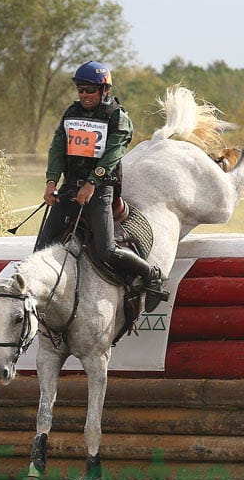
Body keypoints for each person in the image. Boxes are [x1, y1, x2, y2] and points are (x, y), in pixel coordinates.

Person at [35, 60, 168, 311]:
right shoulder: (71, 113)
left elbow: (113, 153)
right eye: (80, 90)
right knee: (41, 246)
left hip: (101, 189)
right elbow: (57, 148)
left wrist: (92, 183)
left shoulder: (117, 117)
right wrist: (51, 182)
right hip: (70, 187)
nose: (84, 95)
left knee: (107, 251)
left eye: (90, 90)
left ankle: (152, 274)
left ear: (104, 90)